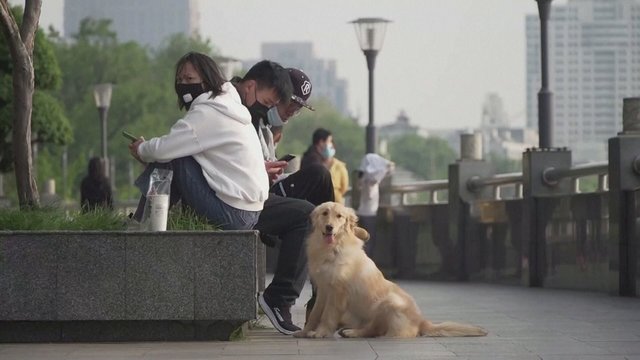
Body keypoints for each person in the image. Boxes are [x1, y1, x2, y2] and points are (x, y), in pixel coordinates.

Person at [129, 53, 292, 230]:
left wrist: (141, 149)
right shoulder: (231, 108)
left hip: (234, 215)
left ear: (206, 80)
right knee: (178, 152)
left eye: (190, 78)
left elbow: (164, 149)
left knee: (175, 156)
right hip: (248, 214)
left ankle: (141, 224)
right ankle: (155, 222)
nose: (184, 84)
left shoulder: (211, 111)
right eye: (180, 79)